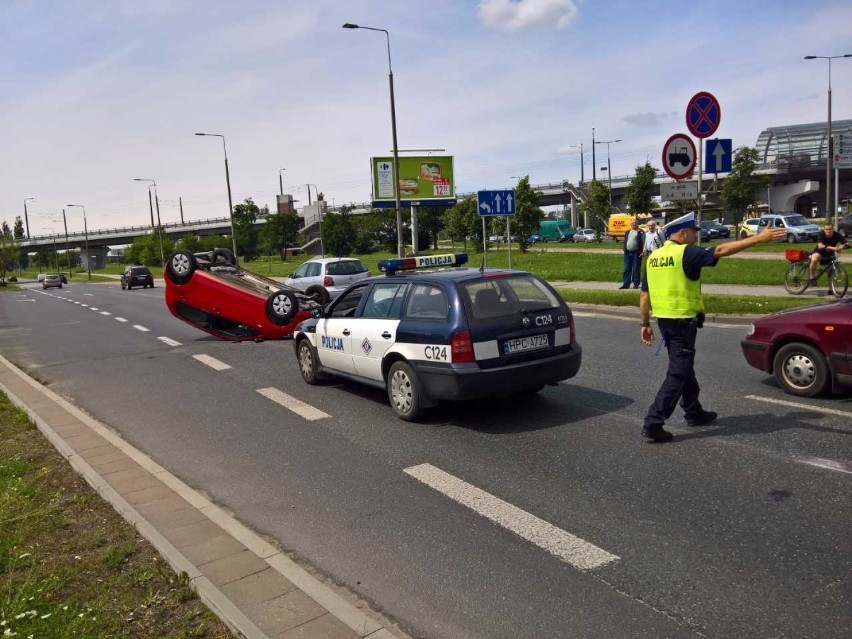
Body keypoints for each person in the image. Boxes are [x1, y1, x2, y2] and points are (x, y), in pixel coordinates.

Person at [638, 211, 786, 443]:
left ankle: (694, 412)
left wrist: (645, 323)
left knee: (684, 367)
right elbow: (720, 251)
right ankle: (653, 422)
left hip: (664, 322)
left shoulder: (653, 257)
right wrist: (757, 239)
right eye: (693, 233)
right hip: (682, 322)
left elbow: (644, 295)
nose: (696, 237)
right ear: (682, 233)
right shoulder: (684, 253)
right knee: (678, 372)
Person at [620, 218, 644, 289]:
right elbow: (625, 241)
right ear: (630, 224)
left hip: (636, 253)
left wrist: (643, 251)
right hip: (627, 253)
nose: (634, 224)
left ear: (637, 224)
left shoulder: (640, 232)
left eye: (635, 223)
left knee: (636, 269)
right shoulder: (627, 232)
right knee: (627, 269)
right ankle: (625, 284)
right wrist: (624, 248)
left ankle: (636, 284)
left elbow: (643, 242)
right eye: (633, 223)